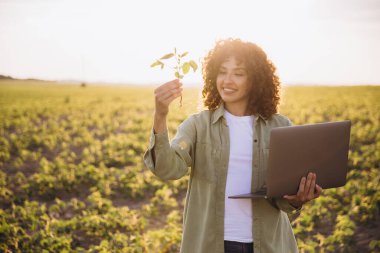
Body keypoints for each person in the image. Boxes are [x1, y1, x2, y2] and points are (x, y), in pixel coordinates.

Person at [143, 38, 322, 253]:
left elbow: (283, 201)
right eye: (222, 71)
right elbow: (167, 168)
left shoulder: (280, 127)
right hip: (210, 245)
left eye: (238, 73)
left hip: (266, 245)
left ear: (255, 79)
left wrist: (297, 199)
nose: (228, 80)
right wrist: (160, 115)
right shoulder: (198, 125)